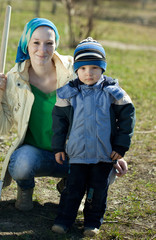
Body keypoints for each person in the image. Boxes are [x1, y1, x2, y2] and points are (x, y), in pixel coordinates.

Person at [0, 18, 129, 213]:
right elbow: (0, 127)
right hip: (35, 155)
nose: (42, 49)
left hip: (74, 153)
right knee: (21, 164)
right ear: (27, 44)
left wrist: (112, 149)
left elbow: (102, 109)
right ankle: (25, 188)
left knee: (107, 171)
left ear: (56, 44)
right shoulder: (14, 80)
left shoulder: (74, 71)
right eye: (36, 42)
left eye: (49, 43)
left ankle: (70, 186)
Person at [51, 37, 136, 237]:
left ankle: (92, 223)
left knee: (97, 191)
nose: (88, 73)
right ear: (76, 70)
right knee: (73, 189)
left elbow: (127, 119)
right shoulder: (68, 93)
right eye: (83, 69)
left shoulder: (113, 92)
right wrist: (58, 147)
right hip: (78, 154)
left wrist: (120, 147)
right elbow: (59, 124)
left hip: (103, 154)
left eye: (94, 68)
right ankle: (63, 221)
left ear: (103, 69)